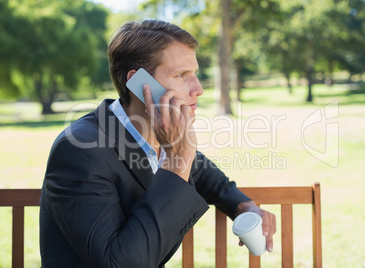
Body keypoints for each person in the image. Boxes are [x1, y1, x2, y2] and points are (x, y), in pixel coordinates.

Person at [39, 19, 276, 267]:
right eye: (182, 75)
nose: (198, 89)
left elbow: (204, 173)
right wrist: (177, 161)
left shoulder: (157, 135)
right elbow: (119, 263)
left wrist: (244, 206)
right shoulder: (79, 149)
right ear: (140, 84)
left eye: (195, 73)